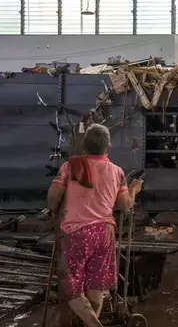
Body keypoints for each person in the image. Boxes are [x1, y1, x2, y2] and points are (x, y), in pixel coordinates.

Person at [47, 124, 144, 327]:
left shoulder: (70, 166)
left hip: (75, 233)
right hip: (104, 233)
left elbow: (54, 196)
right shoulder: (117, 173)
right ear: (107, 148)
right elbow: (125, 206)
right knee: (96, 284)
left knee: (71, 286)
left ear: (84, 146)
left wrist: (54, 210)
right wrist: (134, 189)